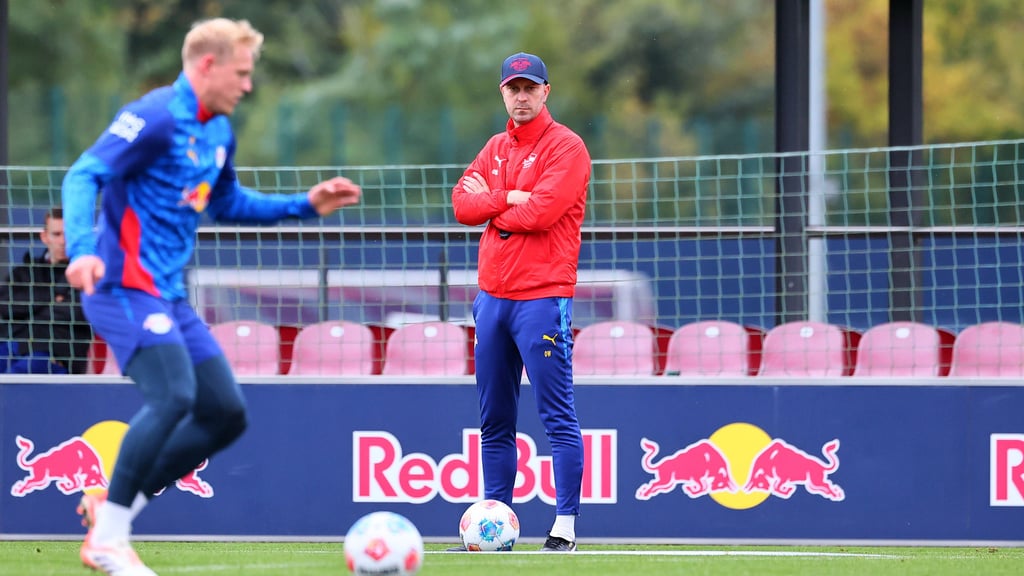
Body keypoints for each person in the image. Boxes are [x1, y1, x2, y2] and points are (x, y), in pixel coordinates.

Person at [60, 18, 361, 576]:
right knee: (174, 397)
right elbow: (83, 175)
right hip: (120, 288)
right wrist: (80, 249)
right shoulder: (154, 117)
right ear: (207, 65)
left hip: (168, 298)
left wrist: (303, 205)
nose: (248, 85)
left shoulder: (219, 130)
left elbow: (227, 203)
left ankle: (112, 510)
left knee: (225, 413)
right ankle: (109, 538)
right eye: (241, 73)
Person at [451, 52, 591, 552]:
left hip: (542, 298)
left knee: (556, 416)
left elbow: (542, 213)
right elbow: (461, 204)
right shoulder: (495, 146)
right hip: (492, 299)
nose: (522, 96)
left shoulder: (567, 146)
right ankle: (495, 523)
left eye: (531, 88)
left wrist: (495, 200)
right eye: (514, 88)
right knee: (494, 420)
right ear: (503, 94)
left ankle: (564, 527)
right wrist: (509, 197)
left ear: (546, 91)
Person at [1, 207, 93, 375]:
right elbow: (6, 305)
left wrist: (27, 312)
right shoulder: (25, 271)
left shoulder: (87, 273)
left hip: (54, 354)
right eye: (57, 234)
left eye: (68, 235)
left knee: (16, 376)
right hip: (12, 345)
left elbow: (79, 312)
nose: (63, 241)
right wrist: (53, 296)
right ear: (44, 237)